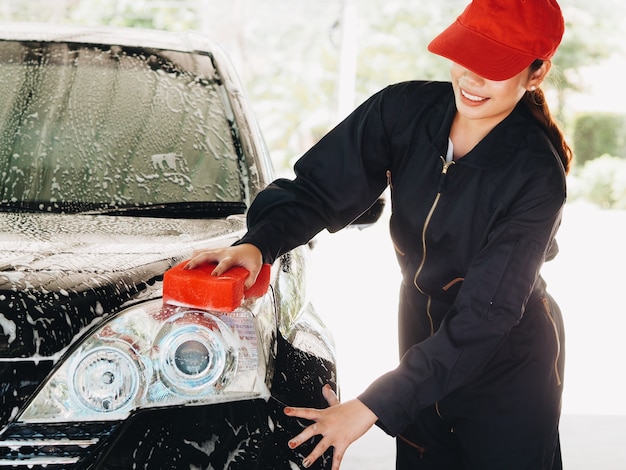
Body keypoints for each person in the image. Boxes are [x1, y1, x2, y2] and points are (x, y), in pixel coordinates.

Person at [186, 0, 572, 468]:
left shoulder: (536, 176)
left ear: (536, 73)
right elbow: (319, 189)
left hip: (507, 363)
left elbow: (486, 317)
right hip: (419, 339)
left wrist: (370, 405)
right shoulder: (403, 111)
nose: (471, 79)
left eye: (493, 68)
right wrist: (258, 243)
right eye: (466, 57)